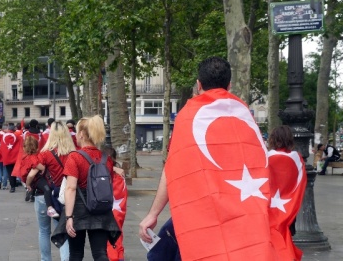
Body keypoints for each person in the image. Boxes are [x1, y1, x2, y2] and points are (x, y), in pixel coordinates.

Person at [139, 57, 284, 260]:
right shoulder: (245, 114)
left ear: (199, 85)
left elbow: (172, 169)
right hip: (242, 214)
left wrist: (153, 213)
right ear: (230, 85)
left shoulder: (187, 117)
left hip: (200, 214)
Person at [51, 116, 120, 261]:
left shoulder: (75, 157)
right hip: (101, 209)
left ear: (82, 134)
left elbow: (71, 188)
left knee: (76, 254)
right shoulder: (105, 158)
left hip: (78, 209)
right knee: (100, 253)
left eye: (77, 132)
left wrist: (68, 217)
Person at [267, 125, 306, 260]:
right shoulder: (296, 158)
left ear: (273, 139)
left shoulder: (266, 157)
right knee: (287, 232)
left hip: (270, 206)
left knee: (271, 235)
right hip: (287, 206)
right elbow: (300, 181)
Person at [103, 146, 127, 261]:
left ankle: (114, 257)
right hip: (120, 210)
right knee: (118, 237)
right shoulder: (120, 176)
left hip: (109, 211)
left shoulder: (106, 176)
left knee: (109, 239)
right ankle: (120, 256)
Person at [0, 124, 22, 193]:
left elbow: (1, 147)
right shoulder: (18, 136)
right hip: (15, 157)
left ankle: (12, 187)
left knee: (9, 172)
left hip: (7, 157)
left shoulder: (4, 136)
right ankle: (14, 184)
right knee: (15, 171)